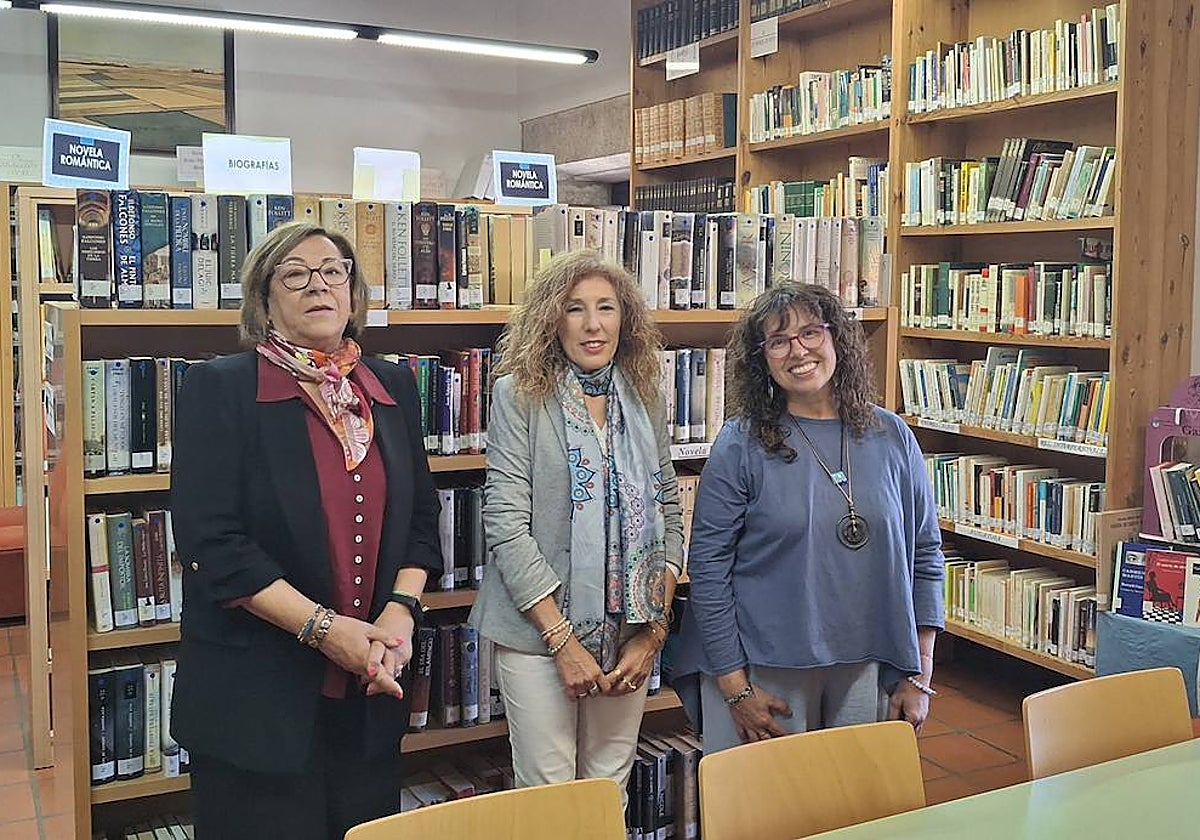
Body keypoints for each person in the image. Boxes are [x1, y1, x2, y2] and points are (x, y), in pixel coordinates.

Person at [170, 221, 443, 839]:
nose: (318, 285)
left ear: (353, 293)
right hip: (256, 704)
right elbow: (213, 544)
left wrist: (399, 614)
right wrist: (325, 631)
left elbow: (422, 520)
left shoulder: (391, 385)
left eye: (333, 271)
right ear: (264, 302)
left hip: (370, 690)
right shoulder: (221, 387)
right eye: (295, 274)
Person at [669, 283, 945, 754]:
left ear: (836, 336)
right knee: (763, 799)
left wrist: (920, 671)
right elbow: (709, 570)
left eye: (811, 333)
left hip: (870, 665)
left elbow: (925, 553)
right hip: (761, 670)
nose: (798, 351)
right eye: (778, 341)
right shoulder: (740, 443)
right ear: (762, 358)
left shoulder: (892, 435)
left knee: (854, 798)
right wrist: (734, 688)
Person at [470, 250, 684, 794]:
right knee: (551, 798)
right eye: (575, 309)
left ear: (624, 318)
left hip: (630, 632)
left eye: (606, 307)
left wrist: (653, 632)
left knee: (608, 788)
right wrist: (562, 640)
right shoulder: (518, 395)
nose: (593, 324)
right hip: (538, 635)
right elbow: (505, 523)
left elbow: (668, 508)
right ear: (552, 320)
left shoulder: (645, 395)